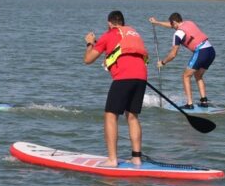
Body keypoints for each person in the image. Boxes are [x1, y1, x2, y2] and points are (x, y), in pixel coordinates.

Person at [84, 11, 148, 167]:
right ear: (123, 23)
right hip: (141, 77)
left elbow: (88, 60)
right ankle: (136, 158)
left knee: (110, 116)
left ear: (109, 23)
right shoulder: (133, 33)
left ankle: (112, 160)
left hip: (124, 78)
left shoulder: (108, 35)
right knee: (132, 117)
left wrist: (90, 43)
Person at [148, 12, 215, 110]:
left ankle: (189, 104)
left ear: (174, 22)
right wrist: (156, 22)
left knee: (185, 76)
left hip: (201, 51)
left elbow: (173, 54)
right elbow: (172, 25)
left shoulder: (178, 34)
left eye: (172, 24)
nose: (172, 27)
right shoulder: (189, 22)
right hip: (211, 50)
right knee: (198, 75)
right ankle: (204, 101)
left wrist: (163, 62)